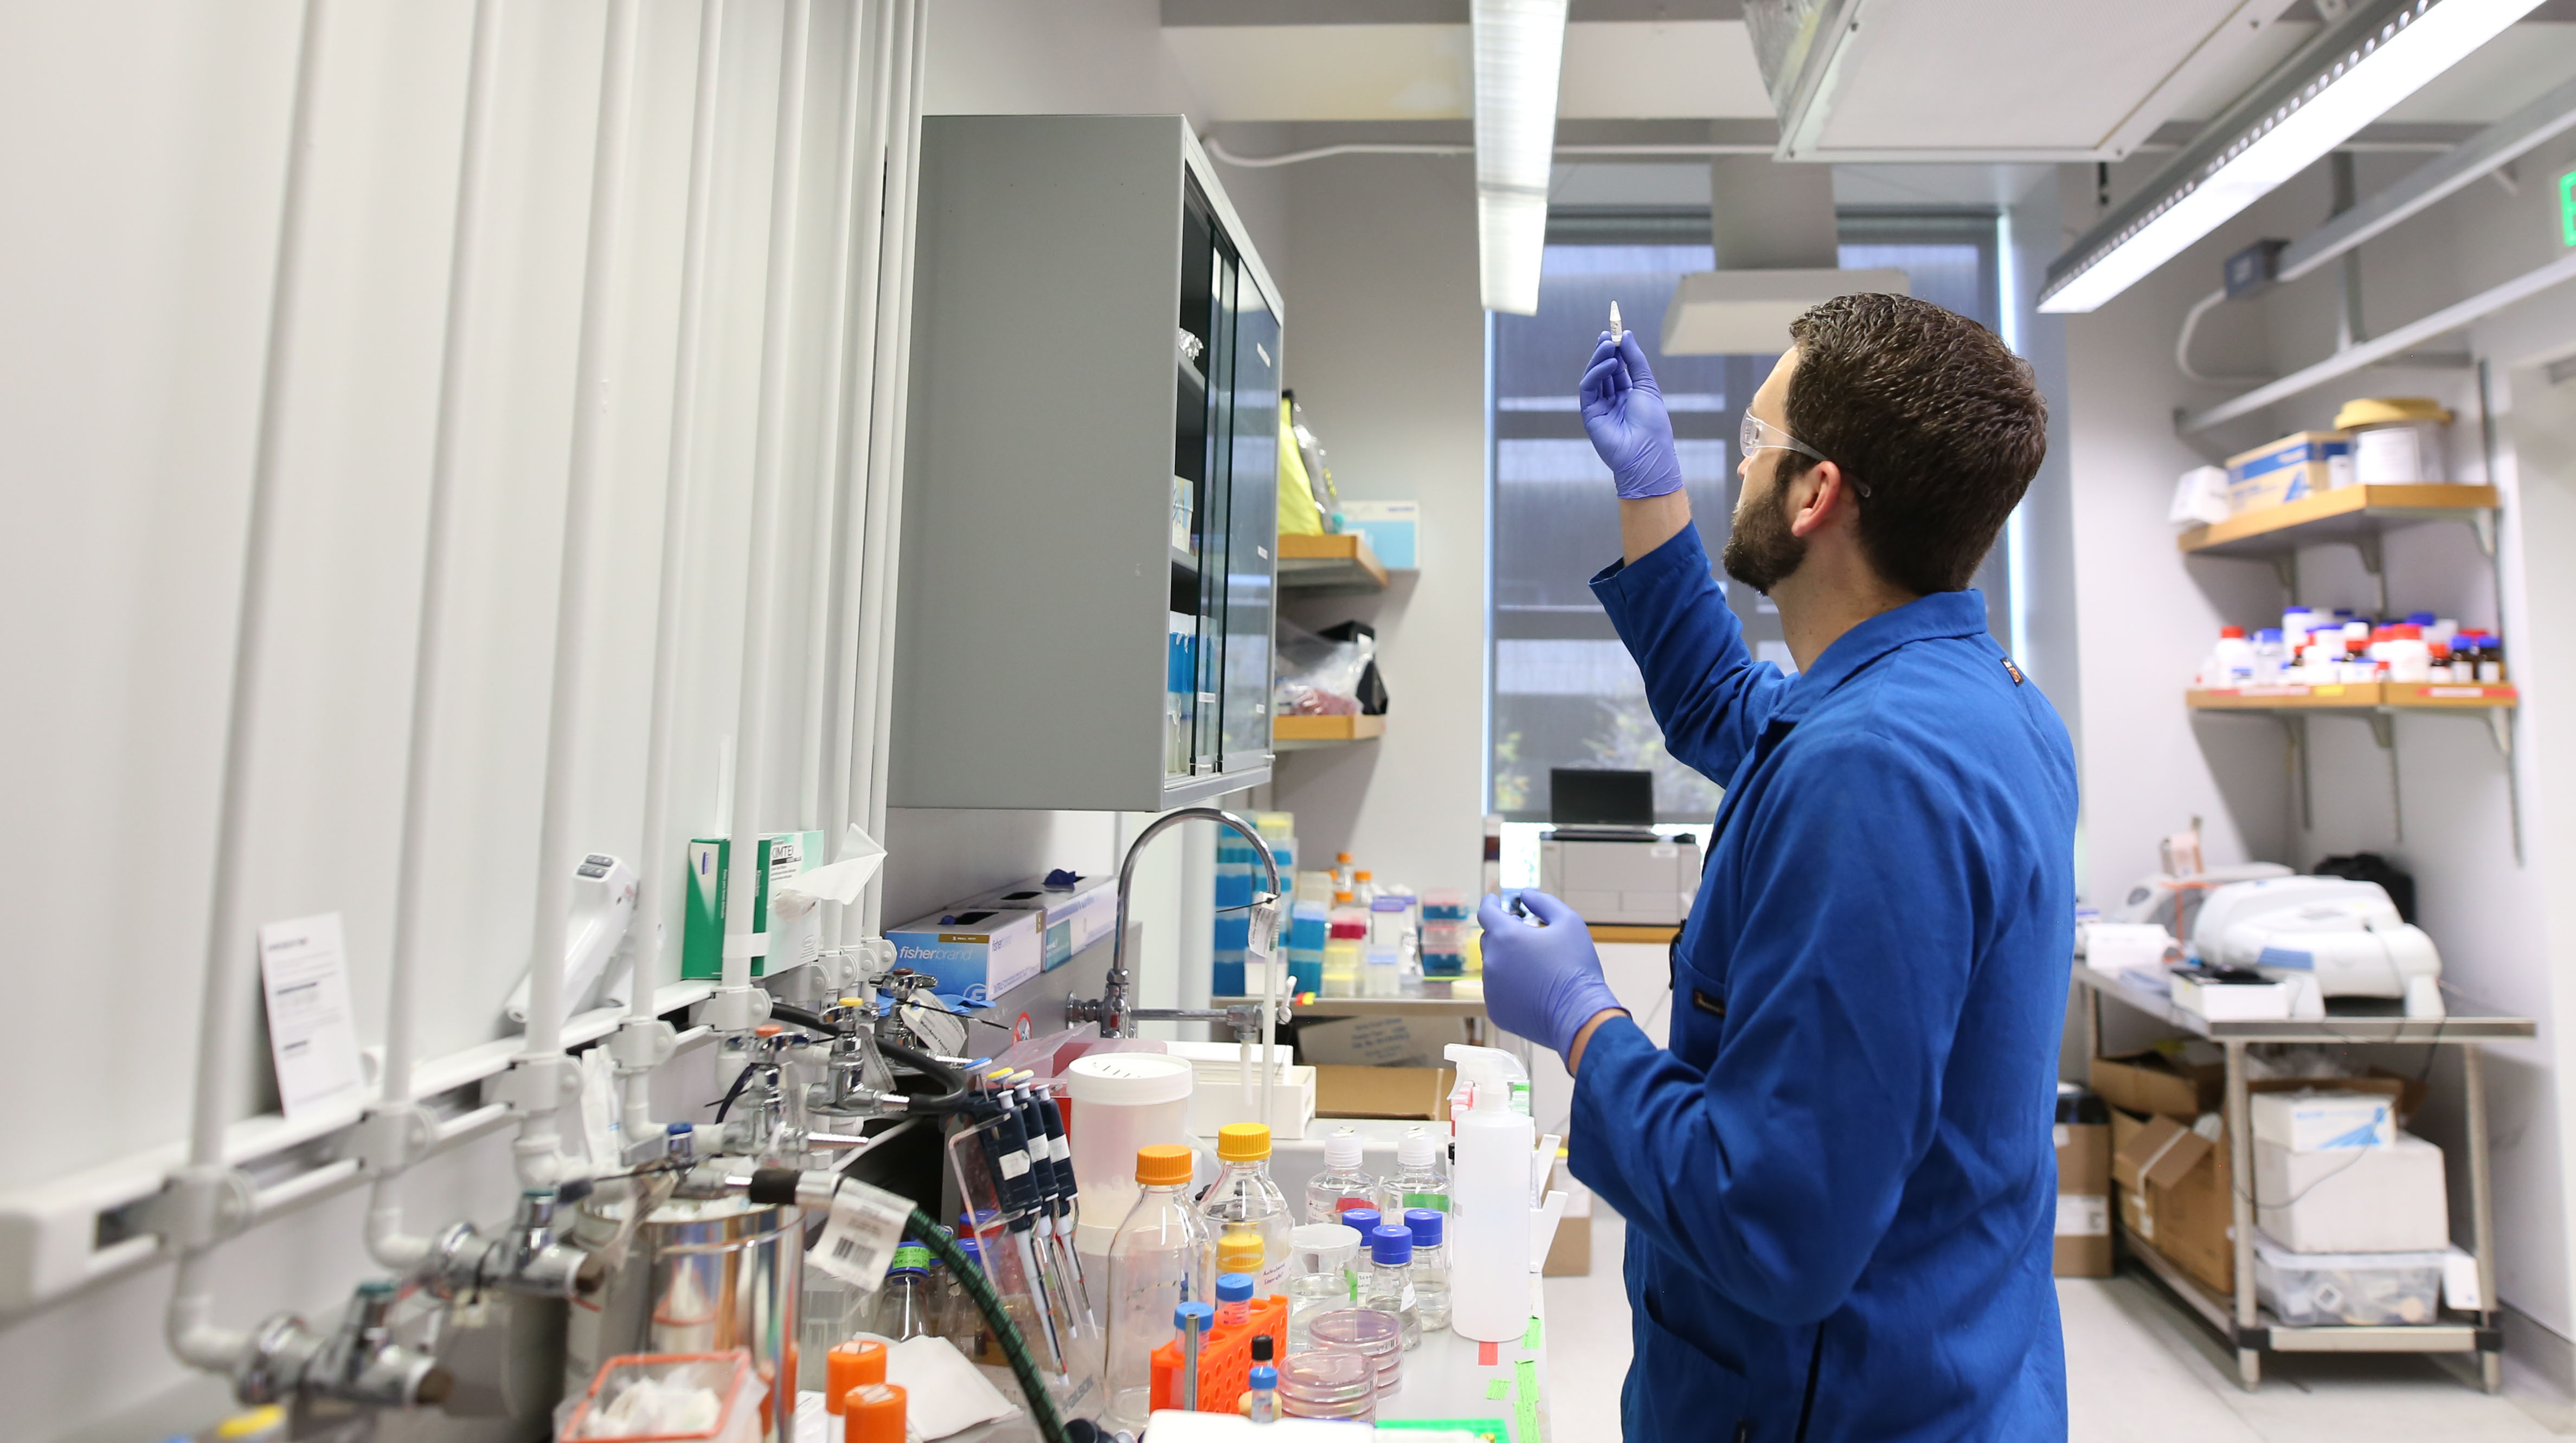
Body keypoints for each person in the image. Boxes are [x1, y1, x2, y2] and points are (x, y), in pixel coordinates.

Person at [1478, 293, 2075, 1441]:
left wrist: (1581, 1019)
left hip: (1842, 1404)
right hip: (1948, 1368)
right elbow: (1720, 699)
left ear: (1816, 494)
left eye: (1755, 444)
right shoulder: (1970, 698)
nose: (1738, 467)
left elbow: (1774, 1221)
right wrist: (1648, 490)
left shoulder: (1873, 772)